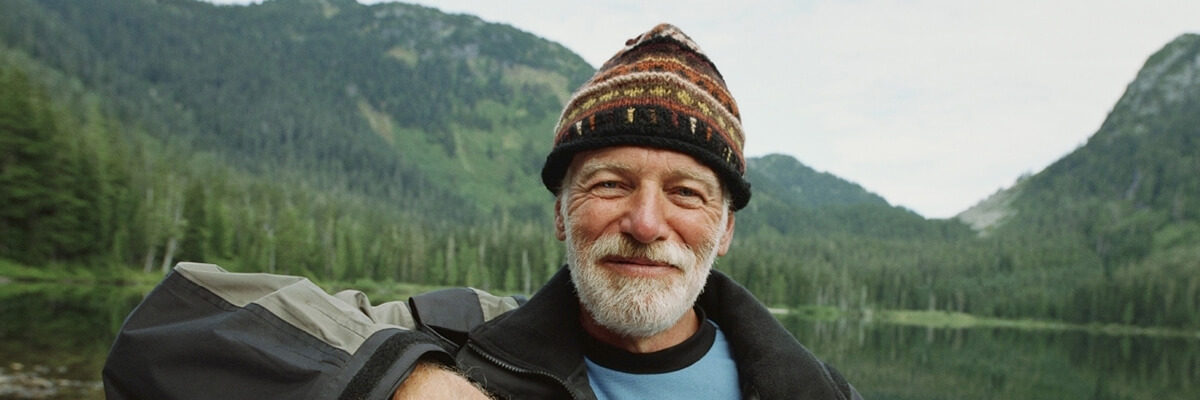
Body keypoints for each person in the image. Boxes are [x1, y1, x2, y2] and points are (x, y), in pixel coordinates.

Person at [102, 23, 862, 400]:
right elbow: (161, 334)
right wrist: (406, 382)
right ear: (563, 214)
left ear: (725, 228)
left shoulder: (815, 389)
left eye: (687, 193)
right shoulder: (452, 336)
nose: (645, 221)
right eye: (609, 184)